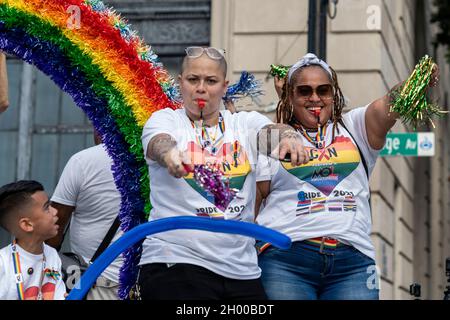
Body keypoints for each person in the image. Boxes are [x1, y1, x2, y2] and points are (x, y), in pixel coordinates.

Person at [255, 53, 439, 300]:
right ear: (290, 96)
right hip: (286, 259)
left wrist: (417, 81)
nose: (315, 98)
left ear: (334, 94)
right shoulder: (274, 137)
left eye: (323, 90)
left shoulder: (356, 127)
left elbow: (389, 103)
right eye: (304, 91)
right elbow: (251, 206)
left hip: (353, 264)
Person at [137, 46, 308, 300]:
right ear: (181, 83)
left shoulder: (244, 123)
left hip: (241, 271)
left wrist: (290, 137)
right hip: (176, 262)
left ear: (225, 86)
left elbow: (269, 133)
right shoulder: (166, 121)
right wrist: (172, 156)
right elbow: (159, 142)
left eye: (211, 81)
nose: (201, 88)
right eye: (193, 80)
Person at [46, 131, 123, 300]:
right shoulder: (154, 161)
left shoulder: (83, 161)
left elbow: (53, 227)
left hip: (94, 281)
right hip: (146, 278)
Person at [0, 180, 66, 300]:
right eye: (47, 208)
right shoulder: (3, 263)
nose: (55, 211)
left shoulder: (52, 254)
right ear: (27, 224)